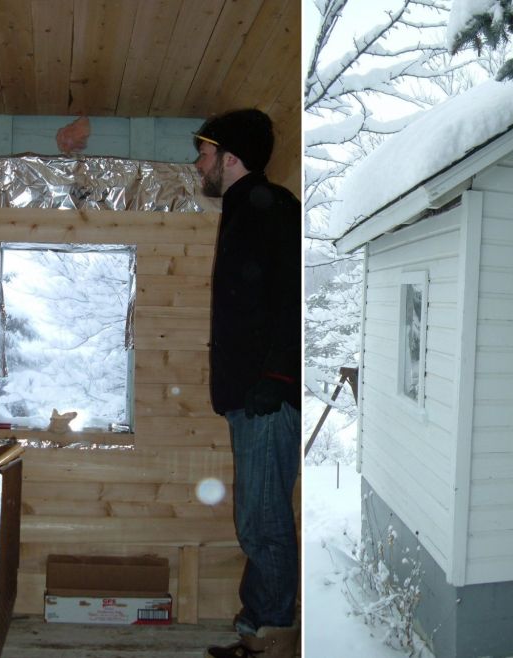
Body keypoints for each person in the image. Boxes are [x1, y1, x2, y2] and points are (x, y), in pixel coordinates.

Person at [193, 109, 301, 658]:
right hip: (250, 397)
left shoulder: (272, 208)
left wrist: (277, 377)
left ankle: (274, 640)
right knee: (256, 520)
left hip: (268, 398)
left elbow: (292, 298)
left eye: (206, 152)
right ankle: (258, 632)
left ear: (231, 157)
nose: (199, 162)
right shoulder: (244, 211)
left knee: (263, 524)